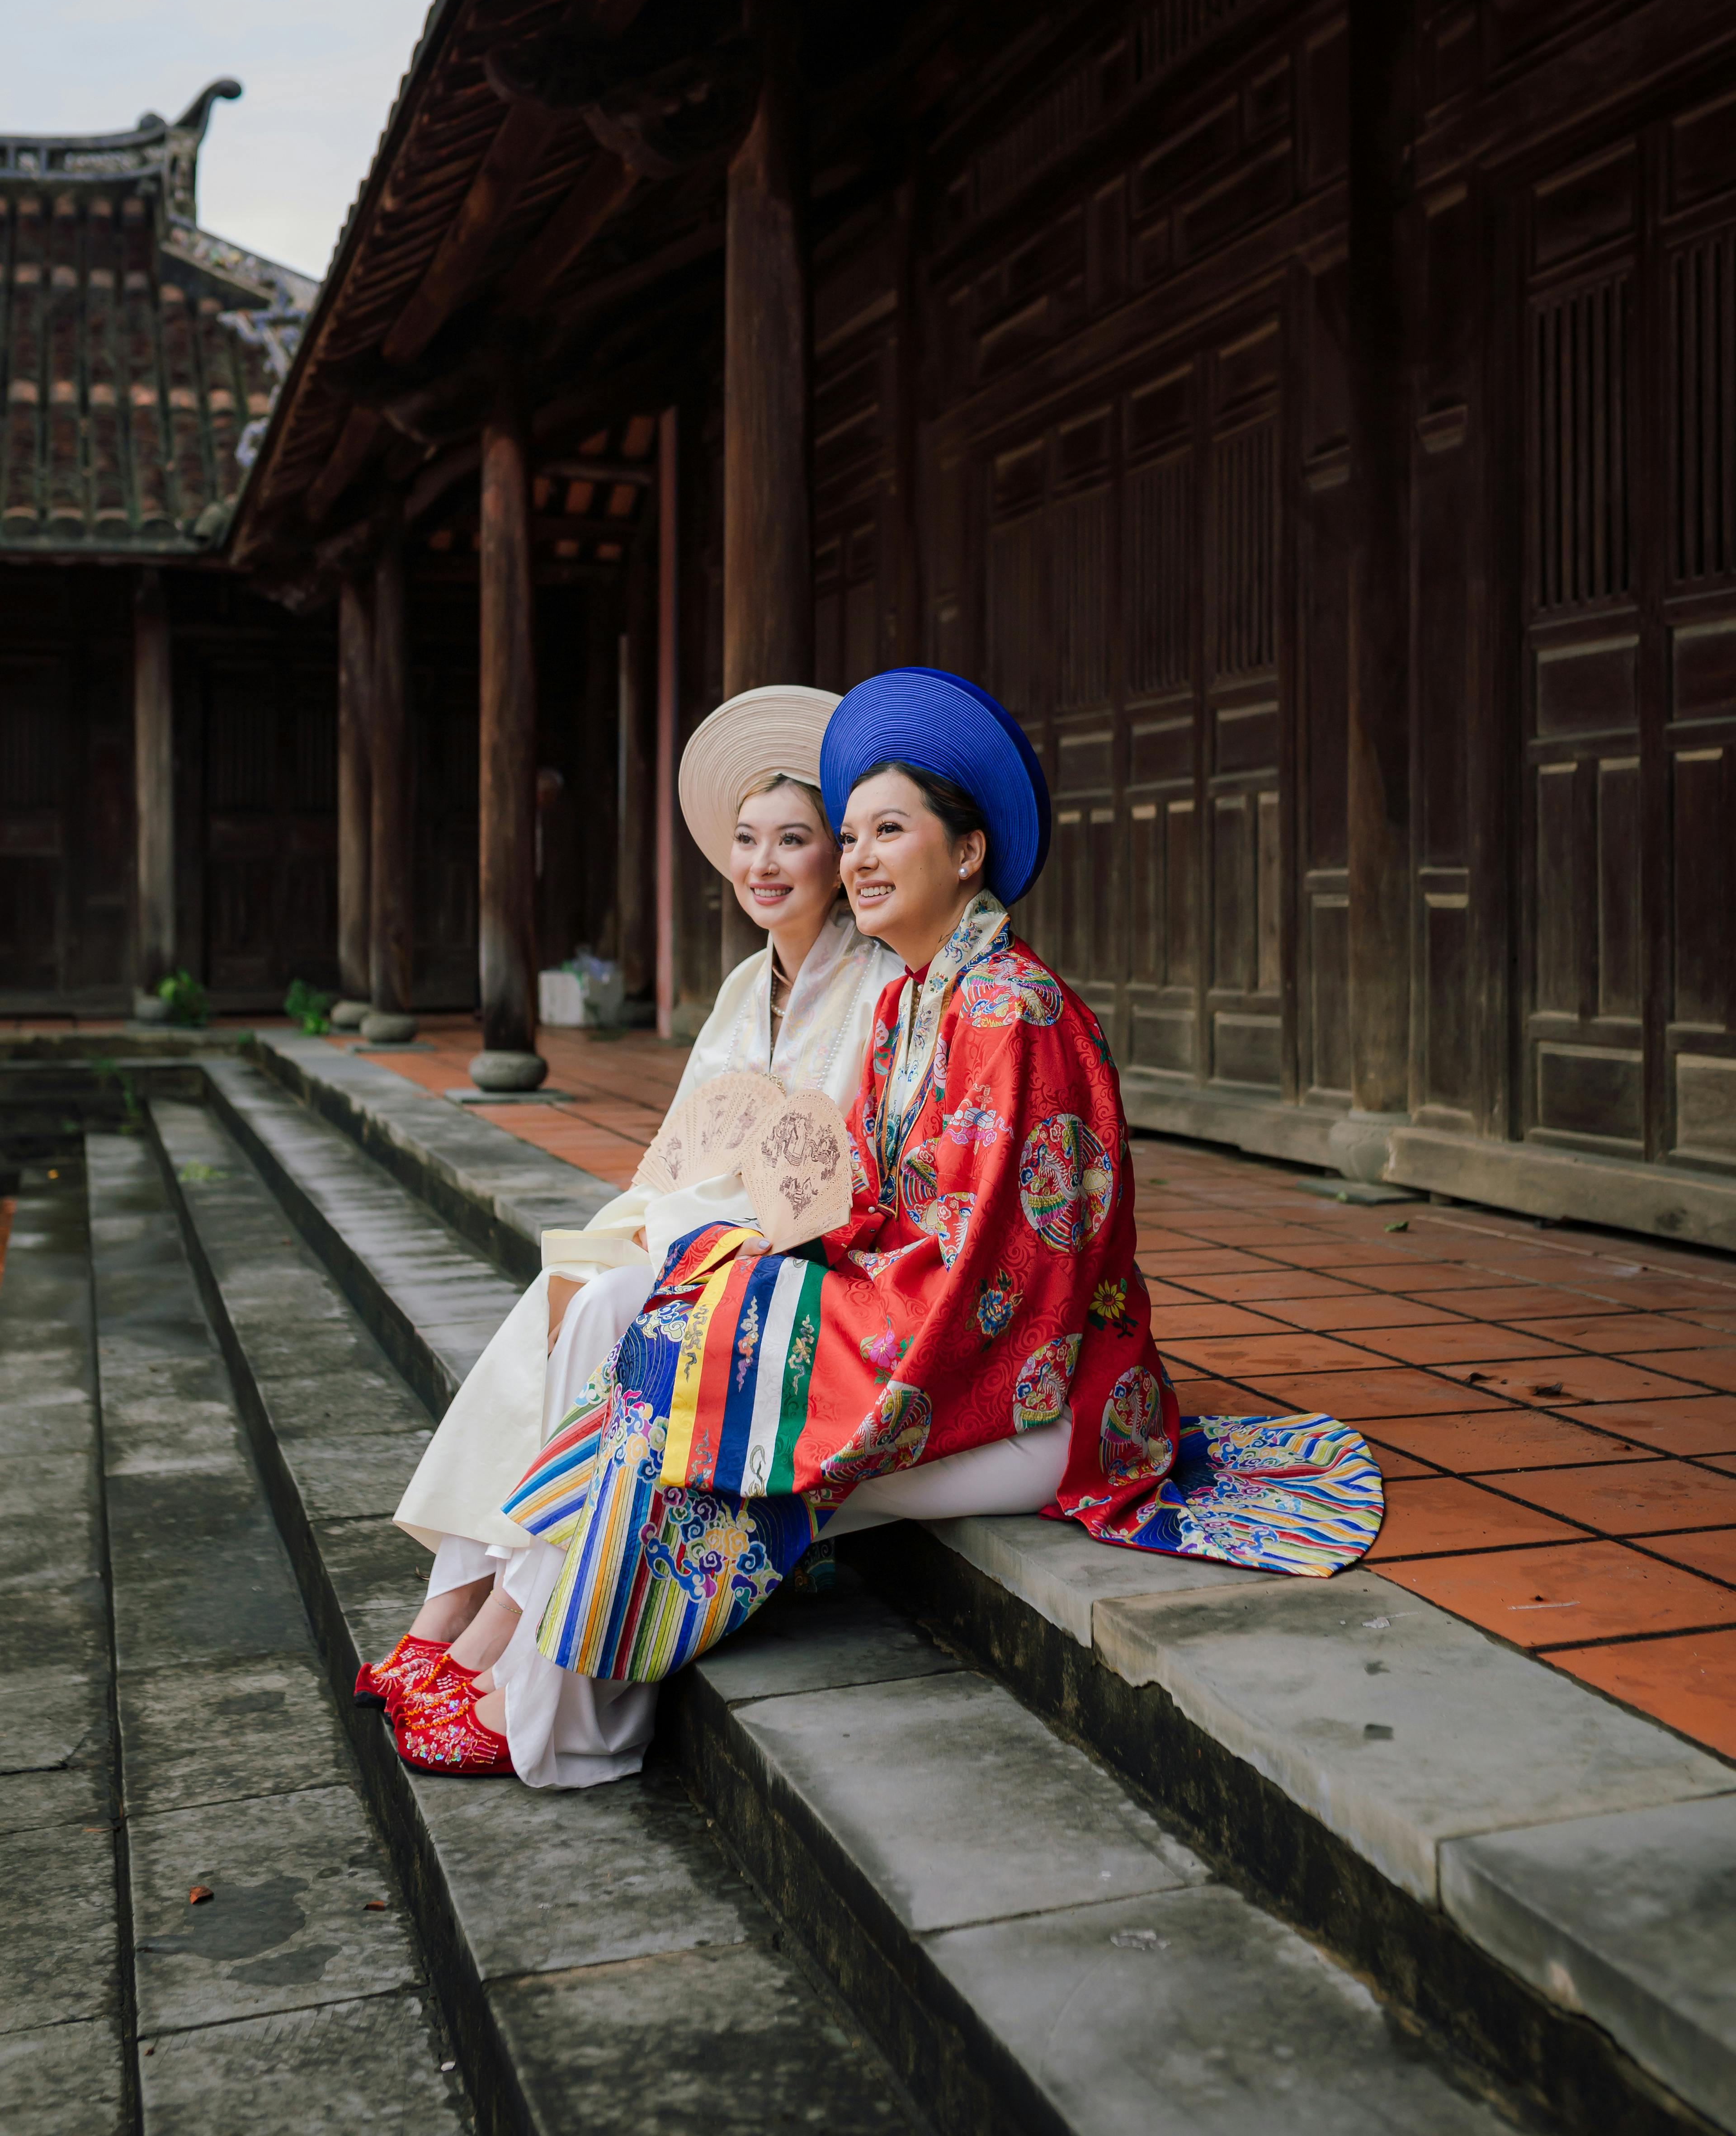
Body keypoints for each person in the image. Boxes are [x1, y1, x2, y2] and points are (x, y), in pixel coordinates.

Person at [402, 668, 1382, 1780]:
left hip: (1036, 1394)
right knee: (678, 1351)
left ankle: (555, 1722)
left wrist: (774, 1349)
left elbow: (993, 1283)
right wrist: (745, 1276)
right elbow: (870, 1206)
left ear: (966, 854)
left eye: (887, 832)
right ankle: (537, 1690)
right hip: (933, 1346)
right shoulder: (920, 1002)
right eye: (855, 834)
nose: (861, 858)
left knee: (695, 1403)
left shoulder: (1012, 1012)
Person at [356, 683, 899, 1784]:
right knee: (569, 1285)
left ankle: (500, 1633)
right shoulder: (749, 984)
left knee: (615, 1307)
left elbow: (852, 1171)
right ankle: (453, 1604)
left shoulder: (882, 986)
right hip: (700, 1230)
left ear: (835, 857)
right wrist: (651, 1223)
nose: (763, 864)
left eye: (793, 839)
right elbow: (689, 1147)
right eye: (747, 841)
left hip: (791, 1259)